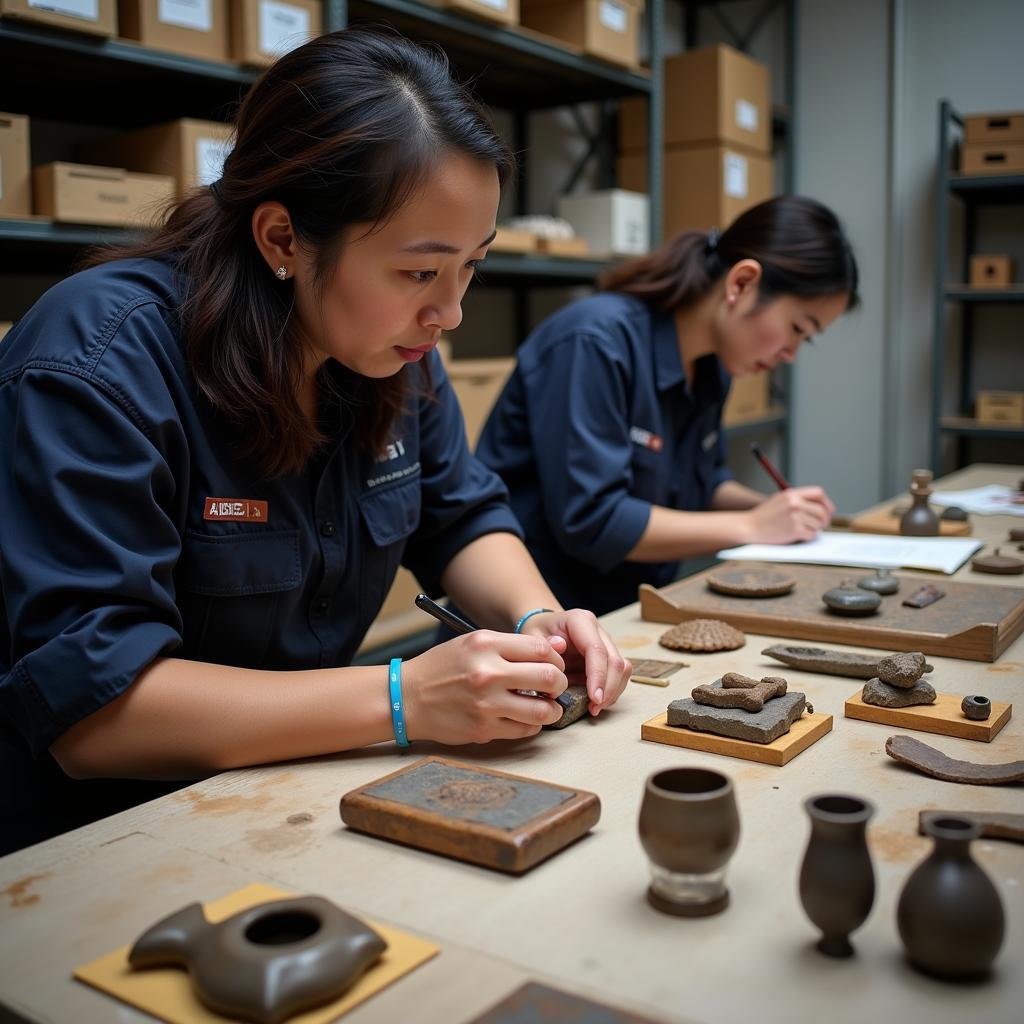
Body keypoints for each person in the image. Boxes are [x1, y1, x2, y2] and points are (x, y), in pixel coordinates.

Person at [0, 30, 630, 855]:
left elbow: (461, 517)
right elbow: (96, 712)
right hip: (98, 841)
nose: (451, 312)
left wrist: (539, 615)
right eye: (418, 272)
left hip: (288, 799)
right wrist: (402, 700)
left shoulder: (393, 353)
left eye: (471, 266)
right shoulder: (98, 363)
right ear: (283, 240)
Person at [476, 196, 860, 616]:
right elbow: (595, 521)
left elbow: (704, 479)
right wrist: (753, 526)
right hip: (535, 623)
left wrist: (777, 512)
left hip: (632, 610)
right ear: (742, 283)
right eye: (797, 328)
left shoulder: (713, 367)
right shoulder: (595, 342)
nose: (791, 353)